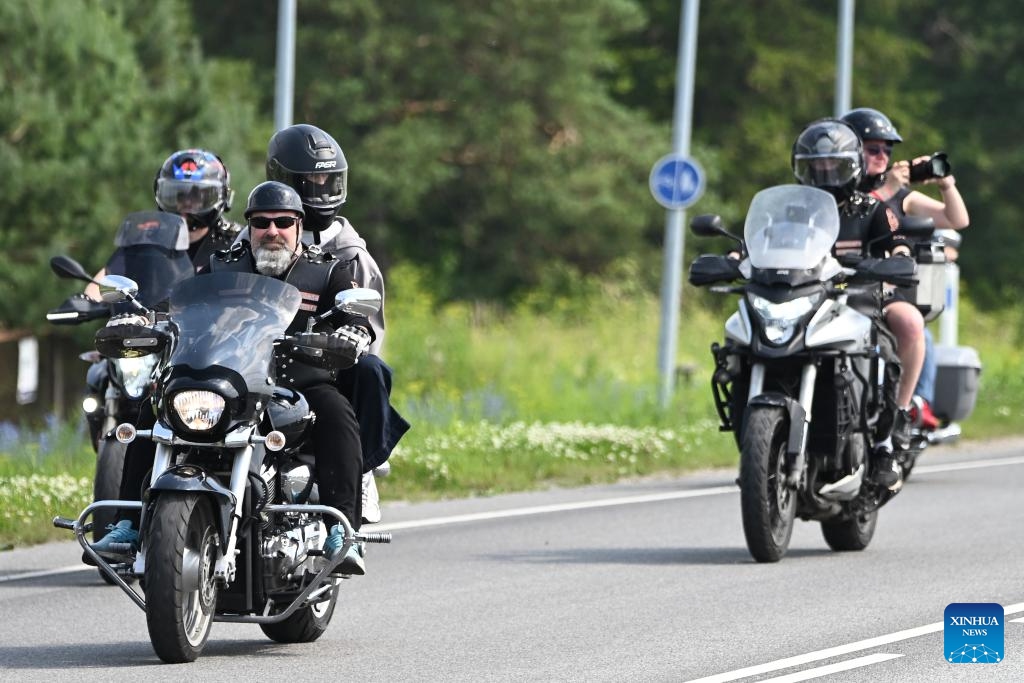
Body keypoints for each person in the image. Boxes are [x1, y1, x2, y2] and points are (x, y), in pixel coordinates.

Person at [93, 181, 372, 575]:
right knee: (154, 407)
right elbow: (177, 301)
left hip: (297, 386)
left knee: (337, 412)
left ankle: (342, 531)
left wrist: (352, 330)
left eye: (282, 222)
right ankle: (127, 524)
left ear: (298, 225)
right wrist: (140, 316)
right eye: (261, 222)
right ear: (250, 226)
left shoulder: (328, 270)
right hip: (233, 381)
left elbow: (355, 316)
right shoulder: (224, 264)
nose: (271, 231)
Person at [239, 123, 410, 524]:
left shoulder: (351, 255)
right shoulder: (253, 238)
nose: (322, 187)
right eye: (311, 179)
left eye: (327, 179)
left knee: (369, 369)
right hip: (251, 361)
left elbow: (368, 327)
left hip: (322, 363)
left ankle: (362, 468)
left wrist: (344, 339)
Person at [791, 117, 920, 489]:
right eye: (817, 165)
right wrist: (737, 256)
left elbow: (897, 241)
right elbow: (761, 239)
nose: (826, 173)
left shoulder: (871, 209)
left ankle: (884, 443)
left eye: (834, 164)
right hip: (803, 300)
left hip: (857, 300)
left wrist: (896, 256)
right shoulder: (796, 208)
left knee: (882, 351)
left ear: (852, 166)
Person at [841, 107, 970, 428]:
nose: (883, 156)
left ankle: (898, 413)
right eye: (873, 149)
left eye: (887, 149)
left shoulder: (901, 196)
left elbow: (957, 220)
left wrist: (945, 185)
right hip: (828, 286)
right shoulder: (833, 187)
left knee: (914, 325)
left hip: (878, 290)